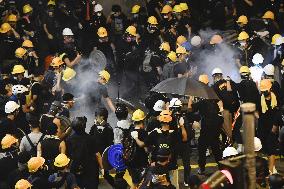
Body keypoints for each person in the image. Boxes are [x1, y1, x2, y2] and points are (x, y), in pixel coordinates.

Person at [188, 93, 223, 174]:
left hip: (206, 129)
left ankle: (202, 168)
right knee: (216, 149)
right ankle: (222, 168)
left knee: (202, 150)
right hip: (215, 129)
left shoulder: (202, 103)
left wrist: (190, 98)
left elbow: (190, 109)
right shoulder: (215, 101)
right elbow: (221, 111)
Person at [66, 117, 103, 189]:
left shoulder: (69, 140)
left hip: (75, 168)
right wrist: (102, 168)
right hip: (90, 169)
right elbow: (97, 154)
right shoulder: (91, 139)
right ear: (84, 126)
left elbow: (68, 156)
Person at [257, 79, 279, 174]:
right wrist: (259, 117)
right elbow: (256, 110)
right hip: (262, 127)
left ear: (270, 89)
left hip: (272, 127)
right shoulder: (259, 98)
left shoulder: (276, 98)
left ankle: (272, 169)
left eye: (265, 90)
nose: (263, 92)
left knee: (271, 148)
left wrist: (276, 125)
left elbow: (278, 113)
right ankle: (268, 168)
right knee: (265, 148)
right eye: (262, 91)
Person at [128, 109, 148, 187]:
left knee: (135, 182)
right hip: (141, 163)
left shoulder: (130, 131)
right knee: (143, 183)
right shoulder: (144, 133)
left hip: (131, 162)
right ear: (143, 121)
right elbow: (146, 149)